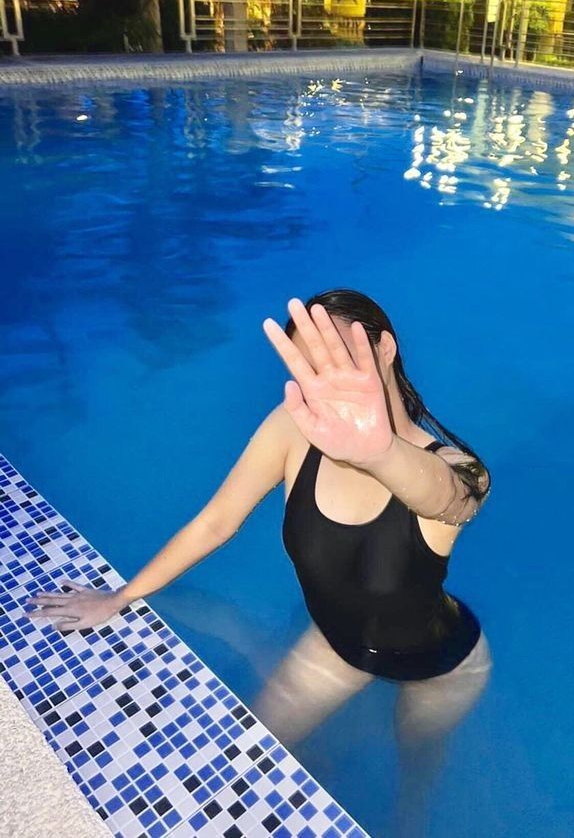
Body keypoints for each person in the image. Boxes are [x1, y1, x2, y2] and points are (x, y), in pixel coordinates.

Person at [24, 288, 493, 832]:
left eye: (344, 350)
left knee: (415, 770)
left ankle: (412, 814)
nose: (330, 371)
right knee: (247, 765)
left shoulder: (454, 469)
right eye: (313, 359)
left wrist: (381, 451)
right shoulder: (293, 429)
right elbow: (217, 522)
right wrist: (122, 597)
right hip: (338, 646)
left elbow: (456, 499)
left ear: (385, 349)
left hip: (442, 662)